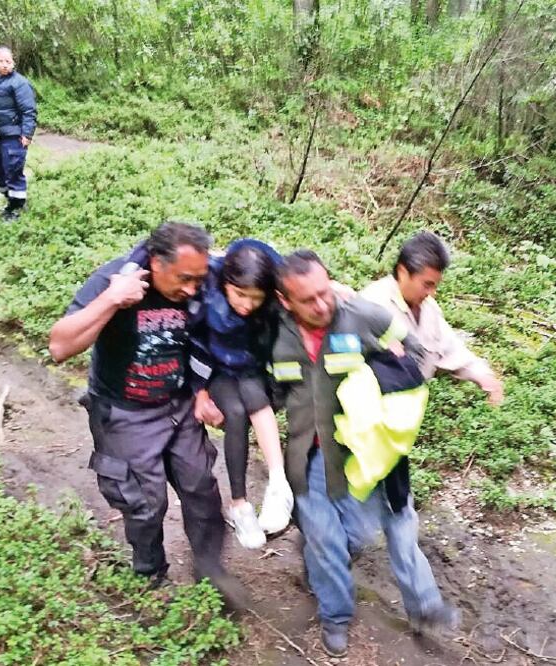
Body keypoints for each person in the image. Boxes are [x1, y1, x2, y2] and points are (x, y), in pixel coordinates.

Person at [271, 250, 459, 657]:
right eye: (308, 300)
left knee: (354, 535)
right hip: (307, 456)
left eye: (325, 292)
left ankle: (318, 565)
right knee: (324, 539)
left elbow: (414, 350)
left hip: (359, 454)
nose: (322, 305)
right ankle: (335, 615)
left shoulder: (363, 315)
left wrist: (384, 377)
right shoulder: (273, 331)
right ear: (285, 300)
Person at [48, 221, 242, 603]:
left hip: (179, 403)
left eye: (198, 280)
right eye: (183, 279)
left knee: (202, 489)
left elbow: (258, 266)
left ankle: (210, 571)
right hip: (125, 412)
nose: (191, 289)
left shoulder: (202, 274)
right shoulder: (114, 280)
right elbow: (59, 346)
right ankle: (150, 573)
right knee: (145, 502)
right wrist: (112, 301)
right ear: (156, 262)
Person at [189, 239, 294, 550]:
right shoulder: (206, 288)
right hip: (216, 370)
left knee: (252, 394)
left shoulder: (272, 302)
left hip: (249, 368)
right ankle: (239, 506)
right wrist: (199, 391)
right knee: (234, 413)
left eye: (255, 298)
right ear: (225, 282)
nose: (247, 305)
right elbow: (193, 340)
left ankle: (278, 483)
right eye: (239, 295)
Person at [361, 231, 504, 406]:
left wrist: (482, 376)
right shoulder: (372, 304)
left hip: (408, 415)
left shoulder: (429, 309)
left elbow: (451, 349)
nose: (431, 293)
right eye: (426, 285)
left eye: (435, 286)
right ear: (403, 272)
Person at [0, 45, 37, 221]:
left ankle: (16, 207)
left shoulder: (20, 83)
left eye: (9, 61)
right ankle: (9, 200)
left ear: (13, 63)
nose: (5, 65)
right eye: (1, 61)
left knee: (13, 169)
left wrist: (27, 134)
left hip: (13, 134)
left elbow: (29, 111)